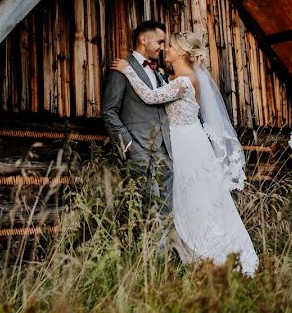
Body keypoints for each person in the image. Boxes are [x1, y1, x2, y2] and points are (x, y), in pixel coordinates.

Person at [111, 30, 259, 276]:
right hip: (180, 140)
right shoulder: (175, 77)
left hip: (186, 143)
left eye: (170, 46)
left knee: (196, 198)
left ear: (182, 52)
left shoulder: (185, 80)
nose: (166, 49)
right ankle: (196, 256)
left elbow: (150, 97)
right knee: (187, 198)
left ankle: (217, 255)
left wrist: (128, 69)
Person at [101, 20, 175, 219]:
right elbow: (109, 111)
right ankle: (151, 250)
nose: (162, 47)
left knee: (168, 207)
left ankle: (167, 251)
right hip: (139, 149)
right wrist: (127, 144)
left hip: (165, 150)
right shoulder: (121, 69)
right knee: (150, 206)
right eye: (159, 42)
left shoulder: (158, 73)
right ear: (143, 39)